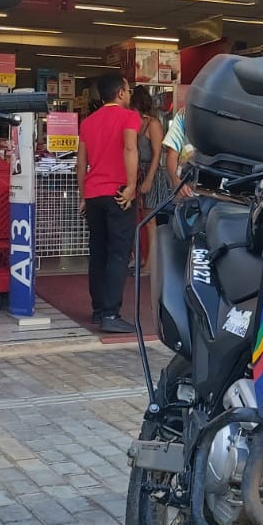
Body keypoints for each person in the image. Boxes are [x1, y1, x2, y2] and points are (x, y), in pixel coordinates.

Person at [77, 75, 139, 333]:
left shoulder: (88, 122)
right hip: (118, 193)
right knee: (118, 254)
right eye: (128, 89)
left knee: (98, 253)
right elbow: (129, 148)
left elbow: (80, 163)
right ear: (121, 93)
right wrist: (131, 186)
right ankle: (111, 315)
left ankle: (98, 309)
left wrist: (83, 194)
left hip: (93, 194)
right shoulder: (129, 117)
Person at [131, 86, 169, 275]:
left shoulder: (152, 124)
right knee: (142, 219)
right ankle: (142, 258)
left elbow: (157, 154)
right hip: (139, 173)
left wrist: (149, 179)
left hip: (150, 173)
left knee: (150, 221)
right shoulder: (136, 123)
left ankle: (150, 264)